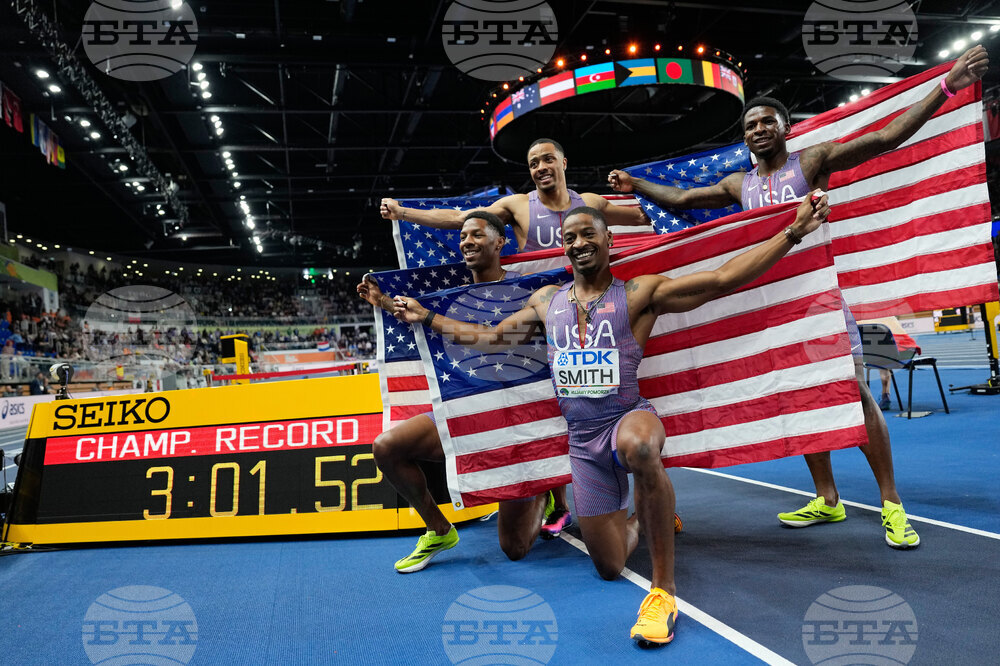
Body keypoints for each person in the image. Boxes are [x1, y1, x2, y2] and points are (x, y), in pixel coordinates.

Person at [392, 195, 830, 645]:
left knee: (641, 449)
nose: (578, 243)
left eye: (588, 234)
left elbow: (721, 280)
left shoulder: (640, 292)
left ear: (609, 239)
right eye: (570, 238)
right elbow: (490, 338)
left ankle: (663, 592)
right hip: (583, 443)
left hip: (629, 417)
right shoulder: (547, 301)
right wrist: (428, 317)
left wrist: (793, 232)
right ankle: (646, 515)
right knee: (609, 565)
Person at [608, 45, 989, 549]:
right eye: (750, 126)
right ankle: (828, 499)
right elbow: (680, 200)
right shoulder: (738, 183)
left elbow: (886, 137)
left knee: (854, 393)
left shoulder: (812, 161)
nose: (758, 130)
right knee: (807, 399)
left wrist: (946, 87)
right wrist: (636, 182)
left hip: (819, 303)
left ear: (785, 129)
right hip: (774, 310)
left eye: (767, 122)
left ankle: (892, 504)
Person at [358, 210, 570, 574]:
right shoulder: (449, 293)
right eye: (462, 237)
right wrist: (381, 302)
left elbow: (490, 339)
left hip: (517, 423)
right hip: (468, 414)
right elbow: (417, 318)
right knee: (387, 447)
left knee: (515, 549)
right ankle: (438, 529)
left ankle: (546, 485)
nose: (467, 242)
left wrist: (426, 316)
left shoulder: (530, 290)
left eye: (476, 235)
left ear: (500, 241)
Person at [380, 138, 649, 253]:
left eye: (548, 160)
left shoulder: (590, 203)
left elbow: (643, 218)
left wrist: (635, 184)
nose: (541, 167)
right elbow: (459, 219)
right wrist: (401, 212)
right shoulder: (517, 206)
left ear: (563, 163)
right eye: (534, 164)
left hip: (589, 298)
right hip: (542, 302)